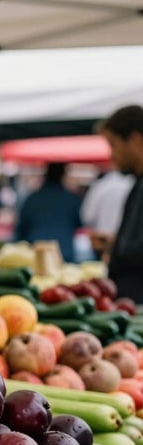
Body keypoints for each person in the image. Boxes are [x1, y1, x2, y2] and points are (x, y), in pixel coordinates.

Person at [97, 105, 143, 303]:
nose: (111, 155)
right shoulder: (137, 184)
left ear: (135, 140)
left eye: (113, 144)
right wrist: (114, 244)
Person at [13, 161, 83, 263]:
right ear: (63, 174)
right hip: (64, 254)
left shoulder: (32, 199)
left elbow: (20, 229)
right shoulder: (72, 199)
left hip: (35, 254)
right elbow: (79, 224)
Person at [80, 168, 134, 259]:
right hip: (128, 244)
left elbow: (87, 217)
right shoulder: (133, 185)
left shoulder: (100, 186)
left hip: (103, 242)